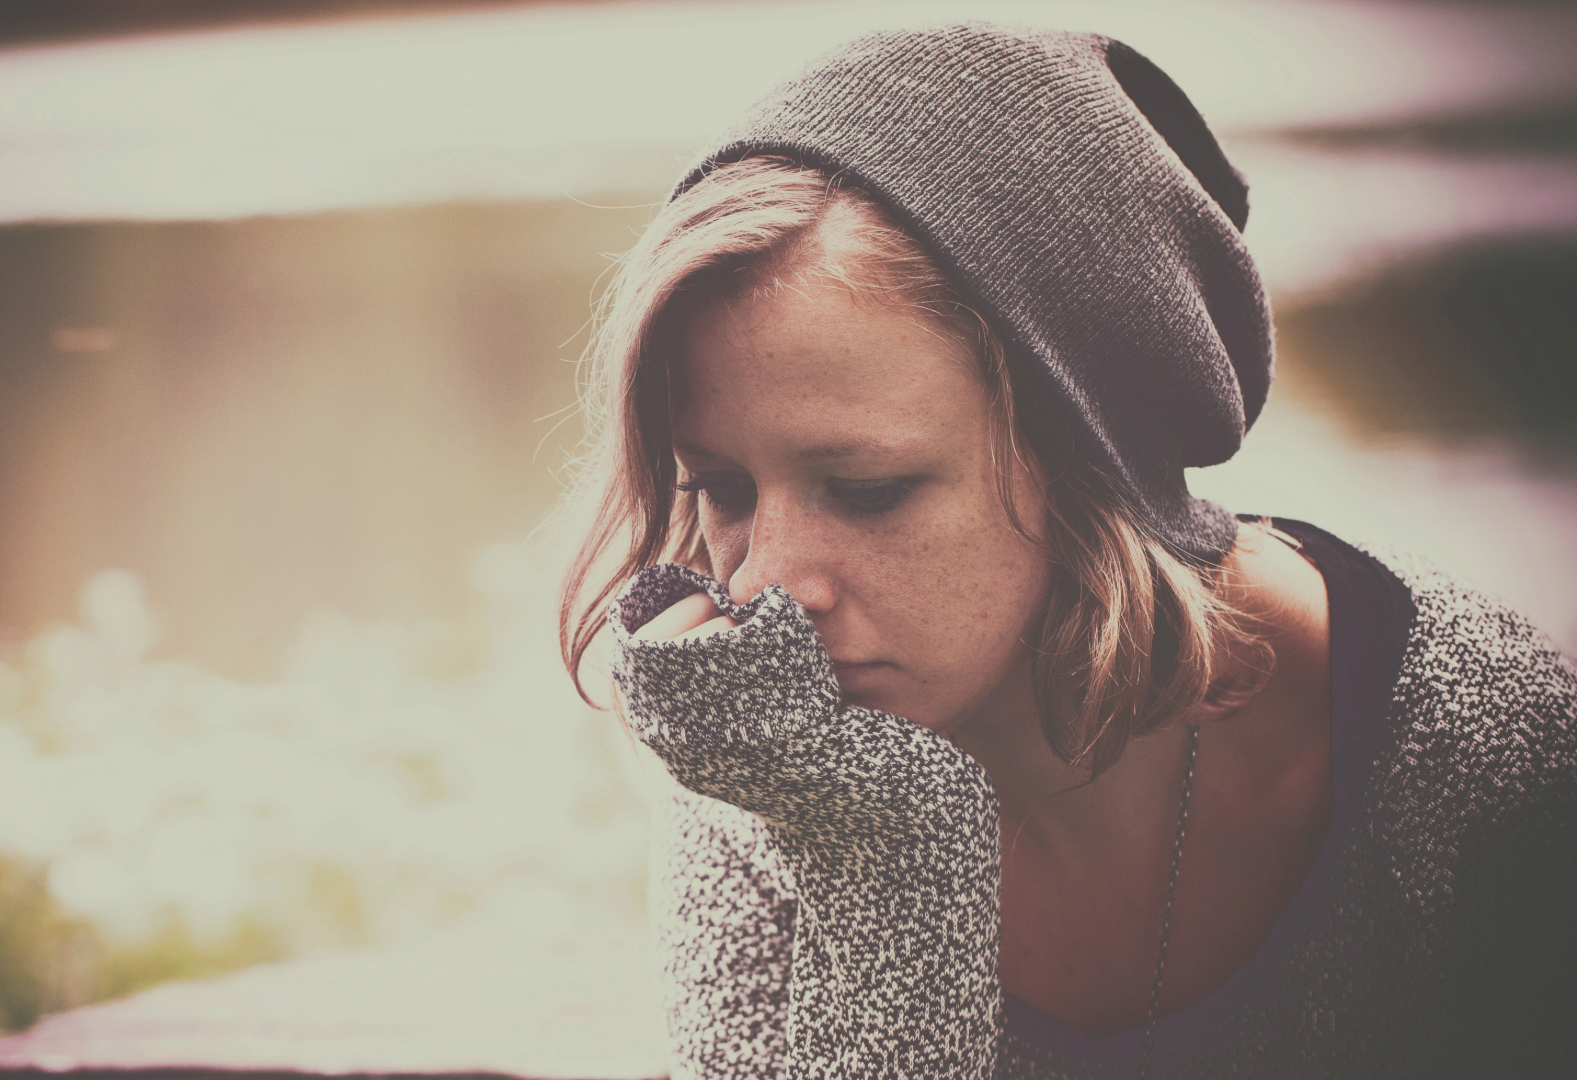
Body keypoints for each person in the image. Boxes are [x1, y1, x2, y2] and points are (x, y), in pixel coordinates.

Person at [556, 23, 1577, 1080]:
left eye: (867, 490)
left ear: (1093, 452)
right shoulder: (777, 763)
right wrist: (882, 859)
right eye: (720, 490)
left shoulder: (1466, 751)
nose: (763, 586)